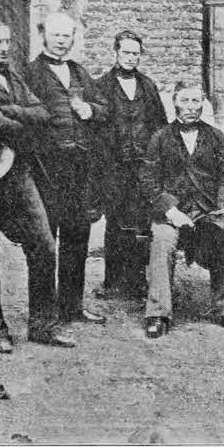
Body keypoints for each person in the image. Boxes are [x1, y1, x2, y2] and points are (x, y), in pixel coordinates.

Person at [0, 16, 75, 351]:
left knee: (43, 245)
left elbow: (43, 112)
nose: (5, 48)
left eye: (8, 42)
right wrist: (21, 119)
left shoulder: (13, 74)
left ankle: (43, 325)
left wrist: (10, 110)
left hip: (19, 173)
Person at [24, 12, 108, 326]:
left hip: (79, 171)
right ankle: (45, 315)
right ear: (44, 35)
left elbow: (104, 109)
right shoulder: (30, 73)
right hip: (46, 171)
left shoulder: (79, 72)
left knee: (76, 239)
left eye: (67, 35)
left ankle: (71, 307)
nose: (62, 41)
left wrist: (90, 110)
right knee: (44, 244)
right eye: (56, 35)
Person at [139, 82, 224, 338]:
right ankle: (158, 313)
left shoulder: (216, 137)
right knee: (162, 240)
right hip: (173, 213)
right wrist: (170, 210)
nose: (191, 107)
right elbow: (148, 180)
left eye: (196, 101)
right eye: (185, 101)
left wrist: (223, 208)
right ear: (175, 103)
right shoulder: (160, 137)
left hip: (208, 211)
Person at [95, 30, 168, 299]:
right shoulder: (101, 86)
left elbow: (160, 126)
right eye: (125, 52)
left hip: (142, 167)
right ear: (116, 53)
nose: (130, 57)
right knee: (115, 220)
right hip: (113, 166)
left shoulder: (148, 86)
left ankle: (137, 279)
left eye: (135, 53)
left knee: (140, 222)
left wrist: (156, 161)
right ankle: (113, 281)